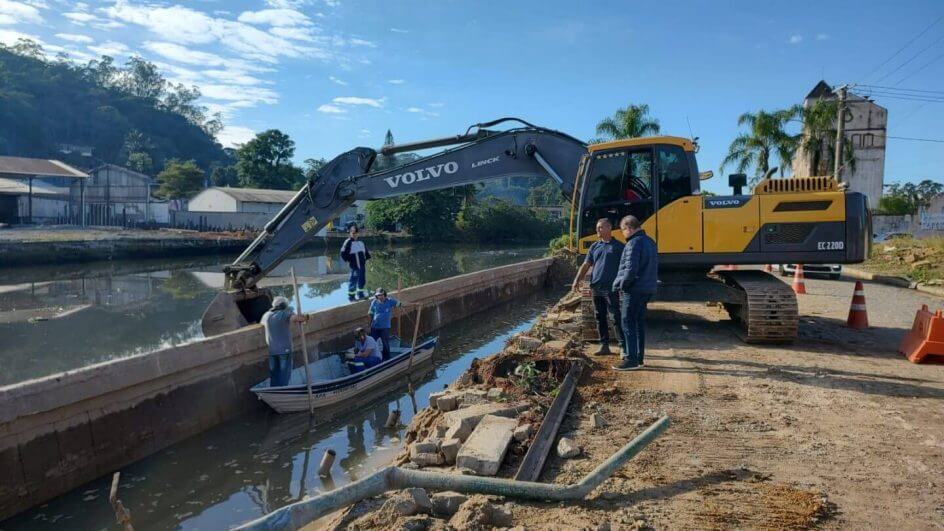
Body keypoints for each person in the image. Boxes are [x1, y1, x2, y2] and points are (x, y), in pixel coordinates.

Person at [571, 218, 625, 356]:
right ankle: (604, 345)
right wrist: (577, 280)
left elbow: (626, 267)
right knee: (599, 317)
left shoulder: (619, 247)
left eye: (600, 227)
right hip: (596, 287)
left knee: (615, 316)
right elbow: (586, 265)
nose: (597, 230)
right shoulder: (594, 246)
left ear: (608, 228)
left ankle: (623, 346)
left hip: (611, 288)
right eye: (597, 227)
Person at [611, 215, 658, 371]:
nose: (623, 235)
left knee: (627, 322)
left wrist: (622, 286)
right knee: (638, 323)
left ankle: (630, 360)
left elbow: (630, 270)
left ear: (628, 228)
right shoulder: (651, 242)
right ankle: (639, 358)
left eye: (623, 231)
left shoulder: (633, 243)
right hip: (647, 288)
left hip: (634, 289)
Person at [260, 296, 309, 387]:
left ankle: (274, 394)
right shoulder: (283, 314)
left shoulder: (266, 315)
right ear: (283, 305)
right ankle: (283, 393)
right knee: (284, 376)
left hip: (272, 351)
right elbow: (299, 318)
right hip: (284, 351)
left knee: (275, 376)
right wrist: (306, 316)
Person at [368, 287, 401, 360]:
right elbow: (370, 313)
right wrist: (369, 325)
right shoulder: (374, 302)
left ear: (384, 294)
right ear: (377, 296)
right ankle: (372, 357)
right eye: (379, 295)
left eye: (382, 295)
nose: (380, 296)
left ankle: (387, 359)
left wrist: (414, 304)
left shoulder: (389, 301)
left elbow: (399, 304)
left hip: (385, 327)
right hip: (375, 327)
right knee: (372, 342)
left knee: (385, 343)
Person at [340, 224, 370, 301]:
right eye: (353, 233)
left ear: (358, 233)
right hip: (354, 266)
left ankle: (361, 295)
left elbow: (365, 252)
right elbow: (343, 253)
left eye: (356, 233)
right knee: (353, 280)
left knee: (362, 280)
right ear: (350, 233)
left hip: (362, 265)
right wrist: (348, 260)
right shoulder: (348, 242)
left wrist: (367, 258)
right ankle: (351, 297)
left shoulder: (361, 242)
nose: (354, 235)